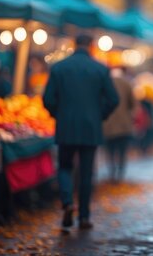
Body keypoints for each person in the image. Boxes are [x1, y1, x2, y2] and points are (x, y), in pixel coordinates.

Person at [43, 35, 119, 231]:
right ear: (91, 46)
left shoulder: (59, 68)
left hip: (66, 126)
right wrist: (99, 115)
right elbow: (113, 99)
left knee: (65, 167)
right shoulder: (101, 69)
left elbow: (48, 99)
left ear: (74, 45)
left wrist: (58, 114)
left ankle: (68, 202)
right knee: (86, 173)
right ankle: (84, 217)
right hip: (90, 128)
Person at [102, 68, 135, 182]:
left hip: (108, 124)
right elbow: (133, 104)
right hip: (123, 124)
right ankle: (120, 172)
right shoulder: (126, 84)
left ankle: (112, 170)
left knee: (110, 149)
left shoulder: (105, 84)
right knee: (122, 150)